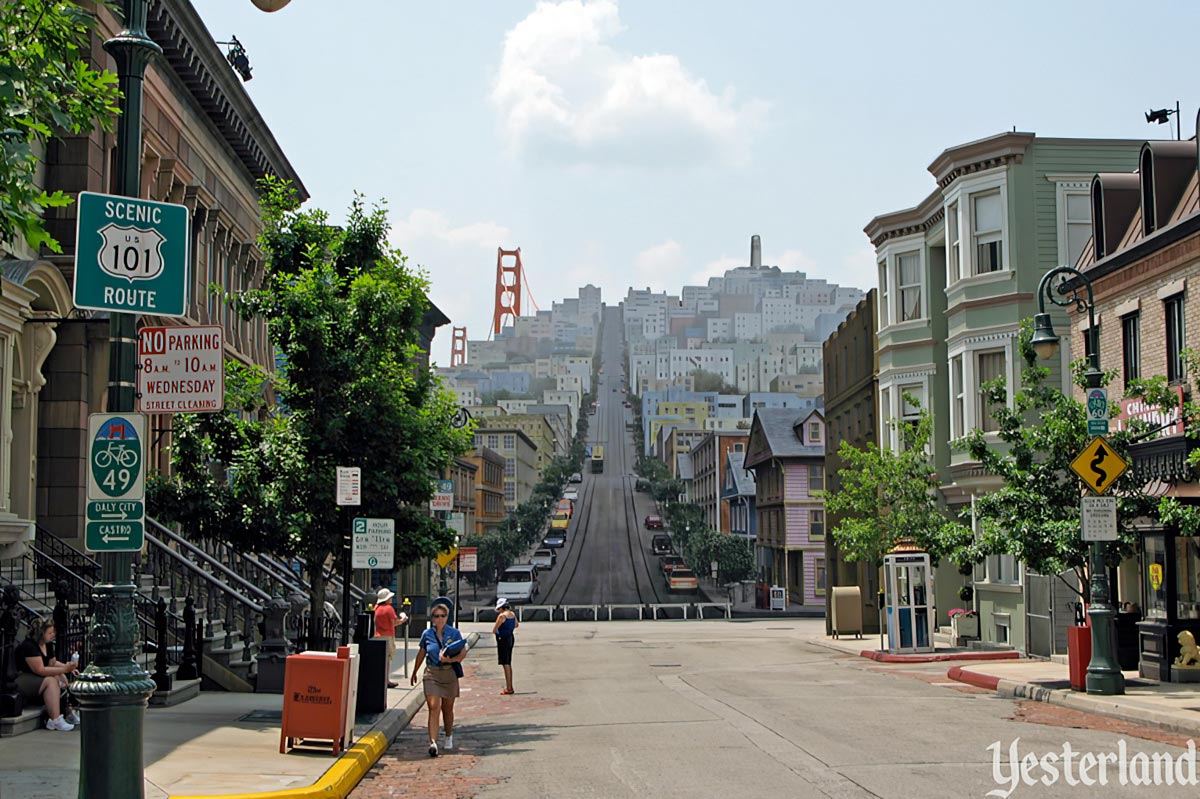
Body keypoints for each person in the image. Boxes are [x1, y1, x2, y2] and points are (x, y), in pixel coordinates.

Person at [410, 598, 466, 757]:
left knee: (447, 708)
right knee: (434, 706)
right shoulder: (427, 634)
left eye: (442, 615)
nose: (439, 619)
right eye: (436, 616)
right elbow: (422, 653)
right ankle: (433, 742)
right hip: (432, 673)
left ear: (447, 617)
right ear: (432, 618)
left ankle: (448, 735)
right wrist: (415, 671)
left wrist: (451, 660)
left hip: (449, 673)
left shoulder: (453, 633)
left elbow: (462, 651)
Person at [16, 617, 79, 731]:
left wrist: (68, 667)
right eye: (49, 633)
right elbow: (40, 670)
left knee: (61, 677)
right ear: (41, 633)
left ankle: (67, 711)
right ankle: (54, 720)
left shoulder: (48, 644)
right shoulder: (30, 646)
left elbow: (52, 663)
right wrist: (64, 669)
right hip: (24, 678)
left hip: (37, 677)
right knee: (51, 681)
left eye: (53, 632)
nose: (53, 635)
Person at [373, 587, 408, 688]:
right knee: (387, 659)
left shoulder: (377, 608)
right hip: (388, 635)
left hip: (378, 635)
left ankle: (380, 679)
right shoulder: (389, 609)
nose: (391, 599)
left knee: (380, 660)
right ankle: (386, 680)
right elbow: (394, 622)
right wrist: (403, 620)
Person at [492, 598, 519, 695]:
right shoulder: (512, 614)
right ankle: (509, 685)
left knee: (505, 663)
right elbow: (516, 625)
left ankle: (509, 687)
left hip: (502, 639)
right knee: (508, 662)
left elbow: (494, 630)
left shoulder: (501, 616)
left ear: (501, 608)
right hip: (510, 638)